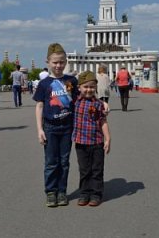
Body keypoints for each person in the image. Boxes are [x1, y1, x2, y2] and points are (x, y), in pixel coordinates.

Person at [33, 43, 78, 207]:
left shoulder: (70, 81)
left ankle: (62, 191)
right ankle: (51, 192)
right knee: (51, 162)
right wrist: (39, 129)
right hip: (50, 128)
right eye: (55, 62)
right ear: (48, 62)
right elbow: (39, 106)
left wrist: (102, 104)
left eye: (61, 62)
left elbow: (78, 101)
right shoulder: (44, 84)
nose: (58, 65)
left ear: (66, 62)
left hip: (67, 127)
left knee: (64, 162)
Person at [72, 71, 111, 207]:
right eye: (86, 87)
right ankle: (84, 193)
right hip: (81, 143)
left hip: (97, 142)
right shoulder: (75, 101)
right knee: (84, 170)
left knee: (97, 170)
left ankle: (96, 194)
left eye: (92, 87)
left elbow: (103, 122)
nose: (89, 90)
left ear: (96, 87)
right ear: (79, 88)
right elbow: (65, 85)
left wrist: (108, 138)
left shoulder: (99, 104)